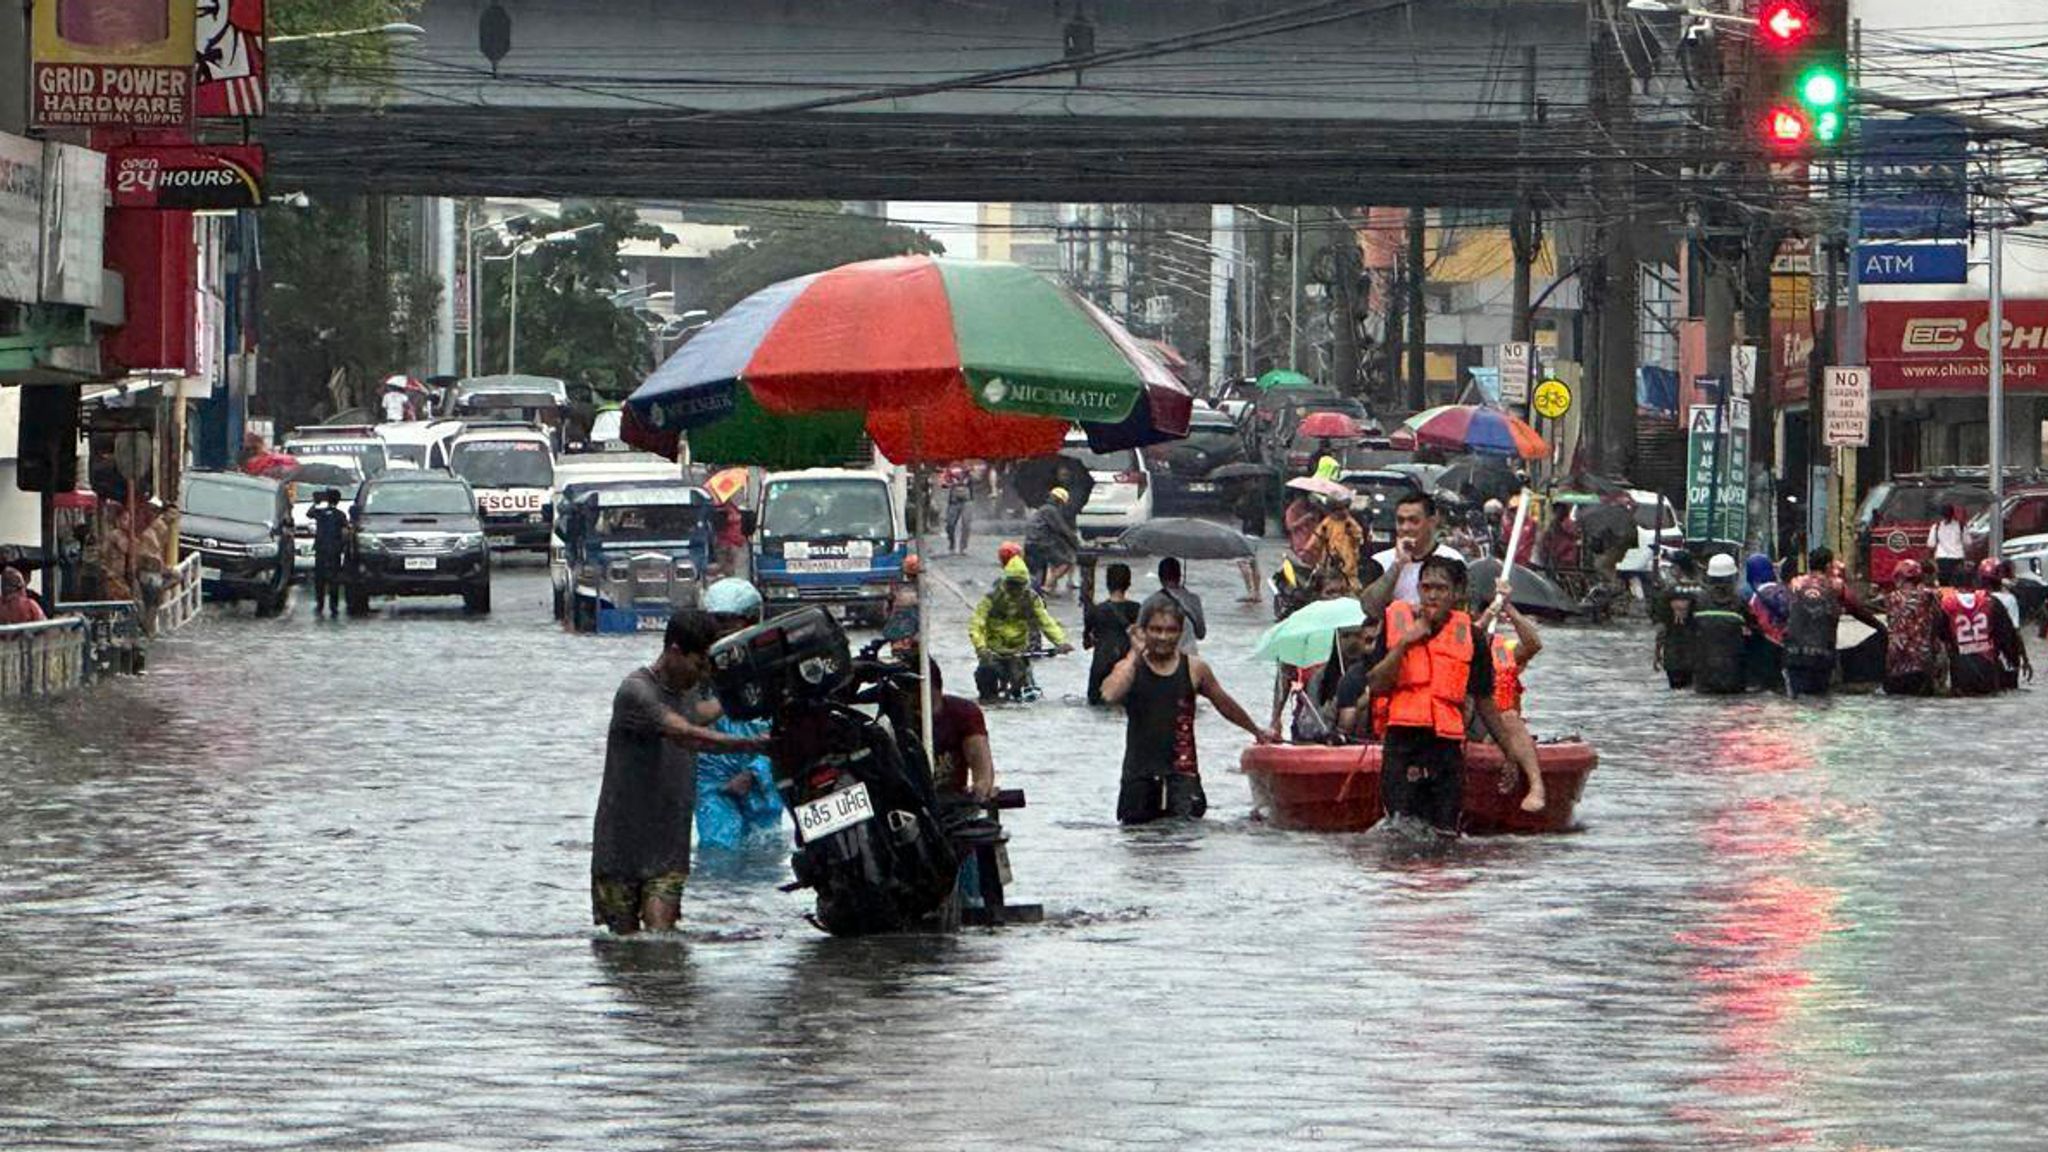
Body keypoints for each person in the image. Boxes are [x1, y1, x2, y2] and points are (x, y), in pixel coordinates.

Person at [591, 609, 771, 935]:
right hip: (622, 848)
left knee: (662, 942)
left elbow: (708, 714)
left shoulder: (685, 695)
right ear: (675, 651)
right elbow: (688, 734)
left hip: (668, 849)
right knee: (623, 947)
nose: (702, 675)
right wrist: (754, 744)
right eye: (698, 664)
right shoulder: (637, 692)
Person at [1364, 555, 1544, 832]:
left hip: (1445, 748)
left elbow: (1485, 701)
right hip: (1403, 745)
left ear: (1456, 594)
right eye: (1426, 588)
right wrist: (1404, 644)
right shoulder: (1395, 625)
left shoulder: (1471, 638)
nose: (1432, 595)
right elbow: (1376, 684)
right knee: (1398, 833)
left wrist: (1509, 754)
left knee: (1446, 835)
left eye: (1440, 588)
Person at [1100, 596, 1275, 824]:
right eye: (1156, 630)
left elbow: (1224, 704)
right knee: (1140, 846)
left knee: (1186, 845)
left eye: (1171, 630)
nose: (1163, 637)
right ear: (1143, 631)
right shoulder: (1129, 667)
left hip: (1182, 777)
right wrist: (1135, 654)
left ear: (1181, 632)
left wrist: (1257, 732)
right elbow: (1109, 694)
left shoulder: (1195, 669)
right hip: (1139, 779)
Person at [694, 580, 784, 853]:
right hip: (712, 781)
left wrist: (754, 773)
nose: (720, 631)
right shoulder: (697, 667)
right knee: (718, 850)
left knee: (765, 849)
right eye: (714, 622)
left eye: (727, 621)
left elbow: (785, 727)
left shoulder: (771, 666)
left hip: (761, 777)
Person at [1472, 577, 1547, 810]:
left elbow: (1533, 643)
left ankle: (1536, 786)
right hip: (1464, 723)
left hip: (1496, 727)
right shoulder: (1452, 641)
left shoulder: (1503, 650)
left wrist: (1508, 607)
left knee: (1509, 717)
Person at [1781, 548, 1882, 698]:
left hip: (1794, 653)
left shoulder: (1796, 584)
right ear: (1828, 566)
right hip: (1822, 654)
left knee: (1798, 700)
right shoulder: (1836, 586)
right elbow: (1857, 610)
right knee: (1821, 701)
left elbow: (1785, 611)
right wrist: (1880, 627)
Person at [969, 556, 1072, 701]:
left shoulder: (1031, 598)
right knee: (985, 679)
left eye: (1019, 586)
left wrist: (1061, 642)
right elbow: (976, 624)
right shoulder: (992, 598)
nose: (1015, 590)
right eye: (1012, 585)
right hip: (992, 653)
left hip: (1019, 652)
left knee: (1024, 693)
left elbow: (1045, 621)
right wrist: (981, 648)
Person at [1360, 492, 1465, 613]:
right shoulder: (1380, 561)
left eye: (1413, 521)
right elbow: (1368, 608)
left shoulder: (1452, 558)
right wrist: (1398, 565)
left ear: (1432, 521)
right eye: (1400, 521)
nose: (1405, 528)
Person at [1938, 565, 2011, 697]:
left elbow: (1939, 638)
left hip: (1961, 674)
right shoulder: (1991, 601)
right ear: (1975, 582)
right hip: (1988, 671)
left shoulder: (1945, 605)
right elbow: (2006, 637)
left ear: (1953, 584)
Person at [1880, 558, 1942, 697]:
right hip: (1923, 666)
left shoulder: (1891, 598)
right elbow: (1936, 624)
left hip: (1897, 666)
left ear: (1899, 577)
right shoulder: (1932, 596)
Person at [1691, 554, 1751, 695]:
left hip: (1704, 673)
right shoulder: (1740, 602)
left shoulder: (1698, 601)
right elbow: (1753, 628)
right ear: (1733, 577)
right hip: (1734, 674)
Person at [1083, 561, 1141, 706]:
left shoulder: (1095, 611)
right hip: (1126, 668)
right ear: (1128, 584)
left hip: (1101, 665)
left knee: (1096, 707)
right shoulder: (1138, 609)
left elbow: (1086, 644)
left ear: (1107, 583)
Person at [1979, 557, 2033, 690]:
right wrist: (2025, 659)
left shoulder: (1978, 599)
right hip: (2006, 656)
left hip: (1983, 657)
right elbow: (2016, 632)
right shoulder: (2009, 599)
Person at [1651, 553, 1703, 689]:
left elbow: (1662, 628)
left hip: (1675, 656)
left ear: (1678, 569)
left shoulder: (1668, 593)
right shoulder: (1704, 592)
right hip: (1701, 656)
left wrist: (1657, 654)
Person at [1141, 557, 1206, 654]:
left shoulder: (1150, 601)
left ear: (1160, 577)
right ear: (1180, 576)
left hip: (1161, 658)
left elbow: (1140, 634)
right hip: (1188, 657)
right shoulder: (1193, 599)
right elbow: (1201, 634)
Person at [1024, 487, 1081, 594]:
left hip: (1033, 542)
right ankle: (1047, 586)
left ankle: (1048, 584)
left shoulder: (1044, 509)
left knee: (1054, 561)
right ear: (1060, 501)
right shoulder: (1051, 510)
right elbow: (1062, 530)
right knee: (1065, 562)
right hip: (1041, 543)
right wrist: (1076, 544)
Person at [1309, 494, 1365, 592]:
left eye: (1344, 508)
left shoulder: (1350, 523)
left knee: (1352, 587)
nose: (1342, 512)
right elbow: (1316, 538)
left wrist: (1353, 534)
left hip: (1347, 563)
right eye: (1338, 509)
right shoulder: (1327, 523)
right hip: (1329, 562)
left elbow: (1359, 538)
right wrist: (1309, 549)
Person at [307, 488, 349, 618]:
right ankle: (333, 605)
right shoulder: (341, 515)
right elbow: (345, 533)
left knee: (320, 578)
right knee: (334, 579)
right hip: (334, 551)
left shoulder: (320, 513)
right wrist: (342, 546)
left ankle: (320, 604)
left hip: (321, 549)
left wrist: (315, 502)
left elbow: (309, 513)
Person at [1928, 503, 1968, 587]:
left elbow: (1931, 544)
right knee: (1958, 585)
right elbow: (1968, 542)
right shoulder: (1960, 526)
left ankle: (1946, 599)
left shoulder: (1936, 527)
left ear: (1941, 515)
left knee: (1944, 586)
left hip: (1942, 560)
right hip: (1957, 560)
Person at [943, 466, 975, 555]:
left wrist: (970, 474)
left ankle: (963, 547)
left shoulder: (969, 468)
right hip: (954, 501)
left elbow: (977, 479)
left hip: (967, 501)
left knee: (966, 524)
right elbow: (943, 483)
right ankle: (952, 544)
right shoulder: (949, 467)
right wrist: (950, 483)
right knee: (950, 524)